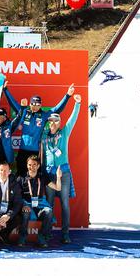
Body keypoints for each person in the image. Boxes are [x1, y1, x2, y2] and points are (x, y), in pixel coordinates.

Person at [4, 82, 74, 176]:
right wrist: (5, 90)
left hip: (35, 152)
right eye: (33, 104)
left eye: (38, 104)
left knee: (35, 176)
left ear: (41, 105)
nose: (35, 106)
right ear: (30, 104)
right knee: (20, 175)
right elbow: (13, 103)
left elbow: (57, 109)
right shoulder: (24, 112)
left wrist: (68, 95)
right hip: (23, 151)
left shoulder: (44, 115)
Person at [42, 93, 82, 244]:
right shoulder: (44, 136)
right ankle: (47, 233)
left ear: (59, 123)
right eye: (50, 121)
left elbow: (73, 120)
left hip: (63, 172)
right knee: (49, 204)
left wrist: (77, 104)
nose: (52, 123)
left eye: (55, 120)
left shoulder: (64, 132)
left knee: (65, 203)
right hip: (49, 174)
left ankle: (65, 234)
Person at [17, 155, 61, 247]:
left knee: (48, 212)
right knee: (25, 212)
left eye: (34, 164)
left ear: (38, 166)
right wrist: (23, 205)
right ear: (26, 165)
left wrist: (58, 177)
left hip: (40, 204)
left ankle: (41, 238)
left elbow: (57, 188)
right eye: (29, 165)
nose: (31, 167)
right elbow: (17, 196)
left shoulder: (42, 177)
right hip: (27, 204)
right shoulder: (21, 178)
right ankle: (22, 238)